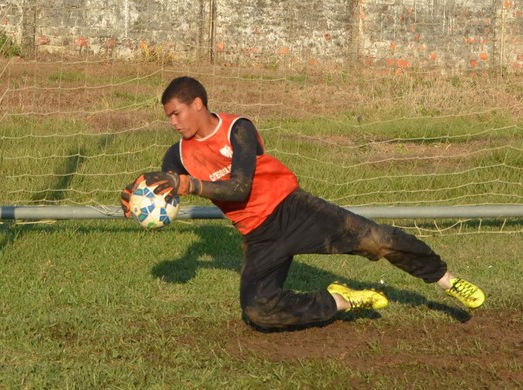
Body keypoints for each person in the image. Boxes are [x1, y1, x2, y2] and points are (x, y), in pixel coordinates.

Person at [120, 76, 485, 331]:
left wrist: (188, 184)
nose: (172, 122)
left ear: (197, 104)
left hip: (293, 210)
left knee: (377, 239)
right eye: (167, 116)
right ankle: (340, 301)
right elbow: (165, 191)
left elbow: (240, 188)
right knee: (258, 310)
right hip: (258, 235)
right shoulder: (177, 153)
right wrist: (140, 198)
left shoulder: (238, 129)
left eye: (176, 113)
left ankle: (446, 280)